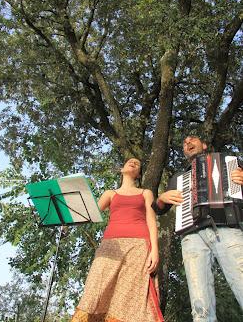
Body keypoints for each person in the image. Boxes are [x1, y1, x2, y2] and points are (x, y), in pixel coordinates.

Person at [154, 135, 243, 322]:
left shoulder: (228, 161)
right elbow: (159, 210)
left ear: (203, 145)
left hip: (226, 227)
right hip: (191, 235)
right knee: (199, 304)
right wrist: (161, 199)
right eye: (184, 144)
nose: (187, 144)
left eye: (192, 140)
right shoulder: (178, 178)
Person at [71, 158, 164, 322]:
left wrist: (155, 251)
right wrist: (67, 218)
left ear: (138, 174)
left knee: (130, 297)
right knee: (95, 288)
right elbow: (90, 214)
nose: (134, 163)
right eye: (130, 161)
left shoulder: (145, 193)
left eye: (138, 163)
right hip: (110, 245)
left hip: (139, 247)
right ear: (121, 169)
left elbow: (151, 221)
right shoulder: (110, 193)